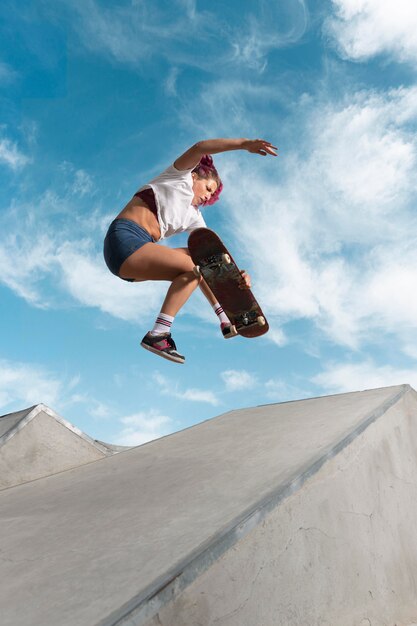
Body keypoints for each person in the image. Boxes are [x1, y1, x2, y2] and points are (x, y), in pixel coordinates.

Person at [103, 137, 277, 364]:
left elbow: (215, 258)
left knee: (204, 261)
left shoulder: (194, 217)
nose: (208, 196)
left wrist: (236, 277)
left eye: (211, 194)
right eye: (208, 188)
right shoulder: (178, 176)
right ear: (195, 175)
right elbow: (200, 147)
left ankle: (224, 318)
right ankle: (158, 334)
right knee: (196, 266)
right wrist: (244, 144)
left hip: (136, 258)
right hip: (124, 240)